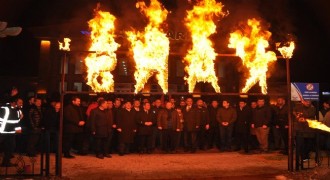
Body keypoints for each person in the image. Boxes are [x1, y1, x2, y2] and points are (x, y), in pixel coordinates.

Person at [293, 100, 316, 167]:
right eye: (306, 101)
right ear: (303, 101)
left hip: (308, 129)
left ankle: (305, 156)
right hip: (300, 129)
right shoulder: (298, 107)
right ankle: (302, 157)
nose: (308, 103)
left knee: (308, 143)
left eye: (309, 101)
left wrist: (303, 118)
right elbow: (294, 112)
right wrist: (297, 116)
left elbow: (311, 115)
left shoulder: (312, 108)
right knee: (300, 144)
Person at [0, 98, 22, 167]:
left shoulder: (18, 110)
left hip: (11, 132)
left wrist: (18, 129)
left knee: (11, 146)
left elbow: (17, 121)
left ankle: (6, 162)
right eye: (19, 102)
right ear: (13, 103)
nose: (20, 104)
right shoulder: (4, 108)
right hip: (2, 131)